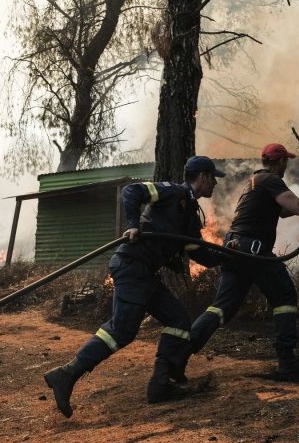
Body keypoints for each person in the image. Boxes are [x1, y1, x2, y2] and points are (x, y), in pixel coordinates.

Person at [43, 156, 228, 419]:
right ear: (203, 177)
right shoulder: (171, 192)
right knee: (122, 330)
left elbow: (199, 253)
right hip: (131, 266)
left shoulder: (189, 215)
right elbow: (132, 191)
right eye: (214, 178)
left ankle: (160, 386)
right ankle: (67, 374)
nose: (216, 184)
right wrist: (132, 225)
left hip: (146, 275)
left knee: (178, 320)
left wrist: (228, 256)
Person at [184, 143, 299, 376]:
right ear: (280, 162)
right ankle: (287, 360)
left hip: (236, 248)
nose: (286, 166)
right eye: (285, 162)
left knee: (222, 308)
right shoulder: (271, 180)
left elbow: (283, 210)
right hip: (253, 250)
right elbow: (297, 206)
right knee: (284, 296)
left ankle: (181, 350)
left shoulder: (255, 182)